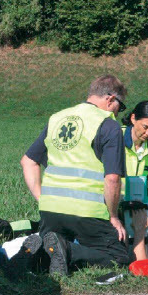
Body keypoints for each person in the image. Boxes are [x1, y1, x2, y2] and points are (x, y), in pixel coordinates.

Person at [19, 75, 129, 276]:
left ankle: (38, 256)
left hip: (50, 210)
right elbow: (112, 178)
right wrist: (114, 216)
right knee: (119, 258)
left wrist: (43, 198)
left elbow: (28, 161)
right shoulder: (108, 125)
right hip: (88, 212)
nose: (118, 113)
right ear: (110, 99)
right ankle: (68, 251)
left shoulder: (57, 118)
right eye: (120, 108)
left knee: (53, 248)